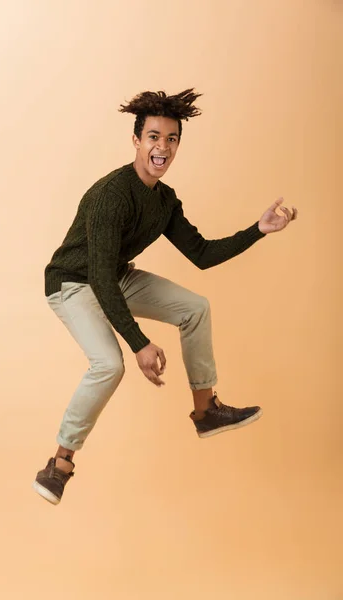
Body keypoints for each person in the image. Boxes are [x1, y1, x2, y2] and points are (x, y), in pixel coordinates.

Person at [33, 88, 298, 505]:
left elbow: (202, 254)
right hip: (73, 282)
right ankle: (59, 463)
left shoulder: (165, 201)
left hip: (113, 276)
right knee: (108, 364)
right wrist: (139, 344)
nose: (163, 147)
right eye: (154, 137)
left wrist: (257, 230)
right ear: (136, 140)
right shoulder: (110, 196)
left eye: (171, 139)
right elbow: (98, 278)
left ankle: (205, 410)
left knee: (195, 308)